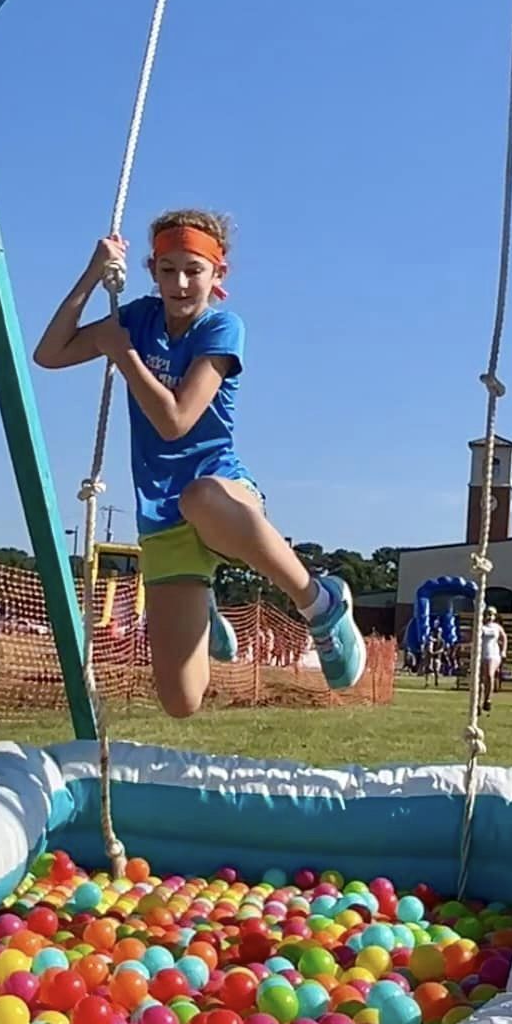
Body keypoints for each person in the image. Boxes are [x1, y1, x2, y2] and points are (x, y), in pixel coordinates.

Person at [34, 212, 366, 717]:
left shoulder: (221, 328)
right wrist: (91, 274)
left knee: (199, 498)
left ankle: (320, 603)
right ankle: (204, 607)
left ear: (218, 275)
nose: (181, 283)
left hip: (221, 493)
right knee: (181, 701)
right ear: (152, 270)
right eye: (167, 270)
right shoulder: (138, 318)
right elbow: (49, 353)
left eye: (193, 270)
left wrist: (123, 356)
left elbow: (176, 422)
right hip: (162, 515)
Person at [478, 607, 507, 713]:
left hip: (493, 654)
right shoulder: (480, 627)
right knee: (480, 680)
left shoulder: (497, 627)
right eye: (487, 614)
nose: (489, 617)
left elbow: (504, 638)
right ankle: (478, 703)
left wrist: (503, 651)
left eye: (491, 614)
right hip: (481, 654)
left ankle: (487, 699)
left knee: (489, 675)